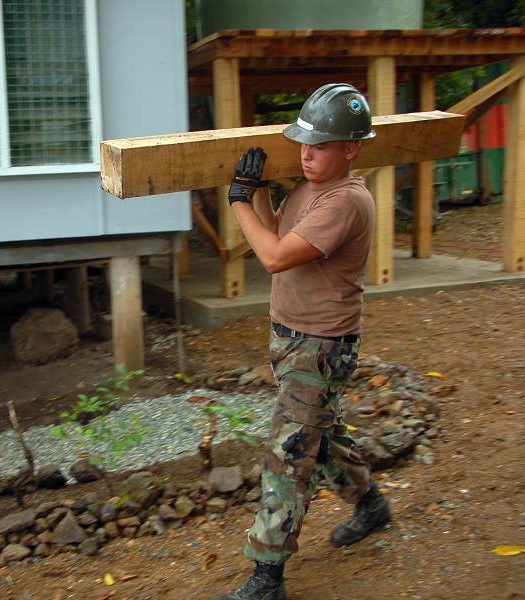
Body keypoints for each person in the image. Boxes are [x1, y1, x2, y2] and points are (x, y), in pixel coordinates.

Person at [217, 83, 392, 600]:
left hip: (321, 345)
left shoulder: (346, 201)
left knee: (290, 450)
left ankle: (267, 576)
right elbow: (275, 234)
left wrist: (238, 201)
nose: (307, 153)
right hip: (291, 339)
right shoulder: (307, 189)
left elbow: (273, 257)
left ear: (351, 148)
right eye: (303, 143)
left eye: (320, 145)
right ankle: (372, 505)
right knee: (322, 436)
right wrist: (264, 190)